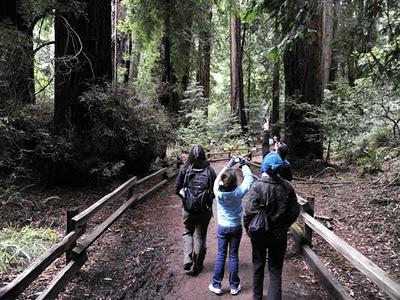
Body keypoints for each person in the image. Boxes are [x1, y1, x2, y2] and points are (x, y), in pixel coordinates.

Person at [243, 152, 300, 300]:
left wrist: (248, 229)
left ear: (265, 167)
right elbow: (294, 211)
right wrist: (284, 225)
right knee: (275, 270)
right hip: (279, 235)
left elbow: (248, 212)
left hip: (259, 234)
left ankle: (257, 297)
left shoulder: (256, 187)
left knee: (258, 265)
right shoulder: (287, 188)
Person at [208, 156, 254, 296]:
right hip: (235, 227)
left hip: (222, 227)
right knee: (233, 255)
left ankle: (216, 285)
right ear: (235, 182)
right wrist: (243, 164)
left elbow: (217, 179)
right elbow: (249, 180)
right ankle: (234, 286)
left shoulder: (218, 192)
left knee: (221, 255)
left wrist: (229, 164)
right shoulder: (238, 193)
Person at [175, 145, 216, 275]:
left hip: (188, 209)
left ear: (190, 155)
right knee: (201, 237)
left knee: (188, 232)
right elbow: (214, 192)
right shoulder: (210, 171)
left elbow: (177, 189)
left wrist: (186, 198)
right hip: (204, 211)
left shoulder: (185, 169)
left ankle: (187, 258)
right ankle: (198, 266)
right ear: (204, 154)